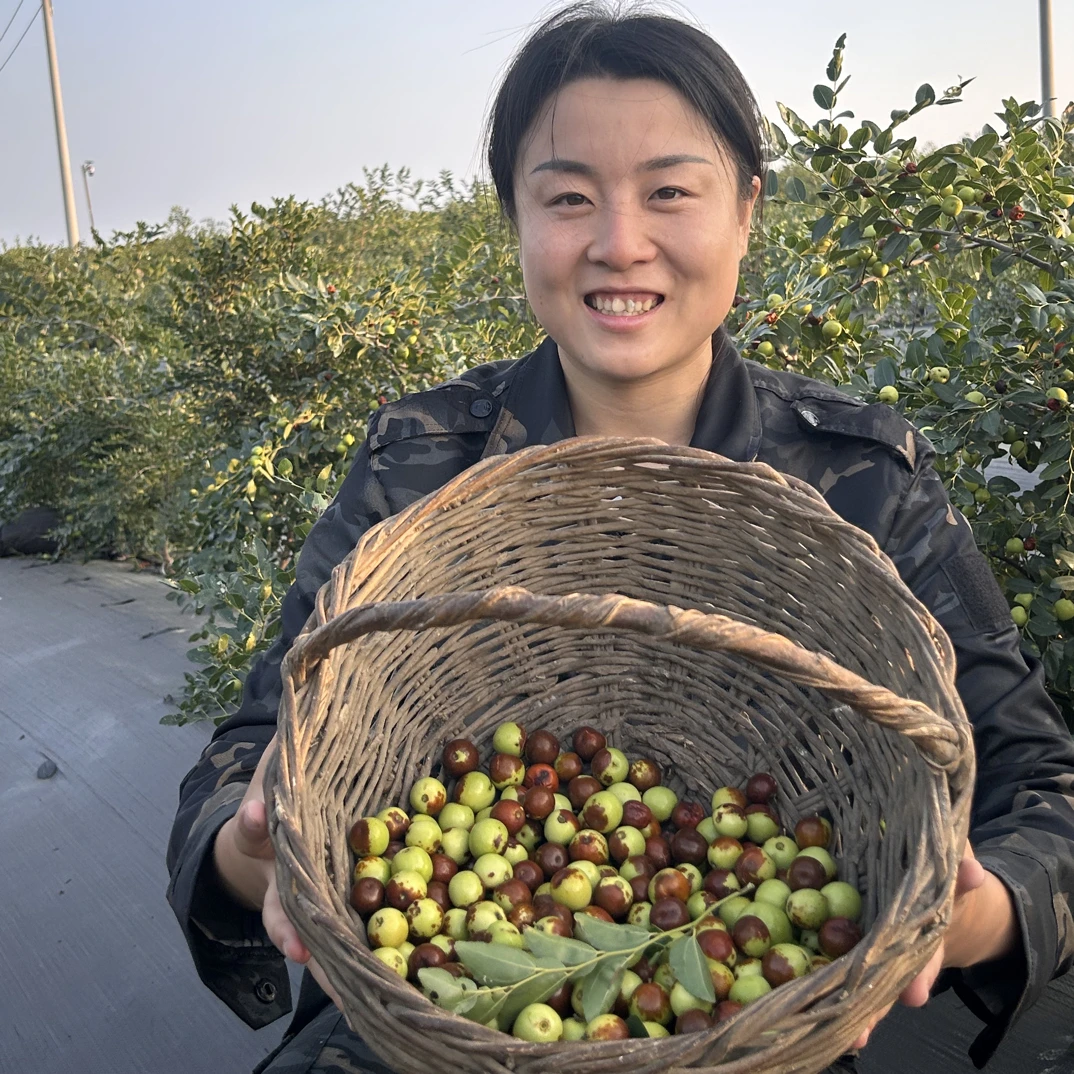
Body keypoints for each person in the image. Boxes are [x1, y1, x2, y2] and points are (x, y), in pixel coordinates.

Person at [166, 5, 1074, 1072]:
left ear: (748, 212)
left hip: (752, 1039)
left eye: (670, 191)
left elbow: (1040, 789)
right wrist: (247, 846)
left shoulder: (862, 481)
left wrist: (971, 913)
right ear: (513, 219)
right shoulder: (420, 461)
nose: (618, 243)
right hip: (423, 1029)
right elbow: (248, 751)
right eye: (567, 198)